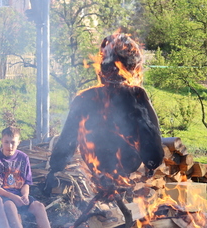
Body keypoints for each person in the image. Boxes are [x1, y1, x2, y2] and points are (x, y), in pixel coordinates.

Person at [45, 33, 164, 191]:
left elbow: (67, 140)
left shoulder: (85, 97)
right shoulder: (135, 95)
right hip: (123, 164)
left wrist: (55, 168)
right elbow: (151, 139)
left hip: (100, 165)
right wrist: (151, 163)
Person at [0, 127, 54, 228]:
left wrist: (25, 195)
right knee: (10, 206)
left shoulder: (23, 157)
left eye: (13, 142)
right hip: (3, 196)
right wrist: (13, 197)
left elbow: (26, 183)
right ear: (1, 141)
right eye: (6, 142)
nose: (10, 146)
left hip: (19, 194)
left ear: (18, 142)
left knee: (39, 206)